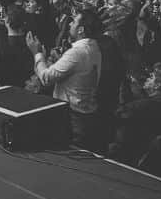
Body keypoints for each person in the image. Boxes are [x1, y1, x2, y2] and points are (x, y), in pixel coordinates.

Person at [26, 9, 105, 152]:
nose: (69, 25)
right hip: (86, 115)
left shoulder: (77, 52)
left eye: (74, 21)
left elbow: (46, 78)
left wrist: (36, 53)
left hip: (73, 117)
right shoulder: (94, 47)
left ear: (81, 30)